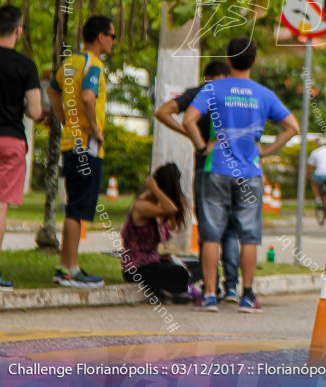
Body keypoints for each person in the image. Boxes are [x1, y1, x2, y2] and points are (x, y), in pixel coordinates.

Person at [182, 37, 300, 313]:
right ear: (254, 61)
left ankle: (210, 295)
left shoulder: (213, 88)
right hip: (250, 172)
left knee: (211, 235)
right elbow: (292, 127)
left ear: (228, 58)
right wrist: (266, 151)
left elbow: (188, 120)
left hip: (216, 168)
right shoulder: (264, 94)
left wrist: (202, 146)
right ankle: (247, 295)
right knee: (249, 236)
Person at [153, 60, 239, 302]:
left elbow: (162, 112)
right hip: (236, 170)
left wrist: (195, 139)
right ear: (224, 75)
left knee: (209, 230)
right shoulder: (237, 95)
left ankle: (210, 286)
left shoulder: (197, 93)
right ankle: (232, 287)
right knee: (231, 230)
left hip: (207, 167)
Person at [0, 6, 42, 290]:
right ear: (19, 29)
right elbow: (36, 111)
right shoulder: (26, 66)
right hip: (10, 141)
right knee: (0, 207)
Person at [47, 15, 114, 288]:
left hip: (70, 144)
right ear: (101, 37)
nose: (113, 41)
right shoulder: (93, 64)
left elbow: (53, 91)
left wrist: (67, 119)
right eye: (113, 36)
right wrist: (95, 129)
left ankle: (65, 266)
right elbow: (88, 96)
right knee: (78, 209)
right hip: (87, 146)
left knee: (73, 206)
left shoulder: (71, 62)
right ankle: (71, 269)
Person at [121, 163, 193, 300]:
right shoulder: (141, 206)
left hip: (153, 264)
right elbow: (172, 209)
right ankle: (172, 291)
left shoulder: (157, 207)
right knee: (181, 273)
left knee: (194, 267)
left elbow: (173, 225)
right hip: (136, 268)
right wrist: (154, 189)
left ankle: (168, 291)